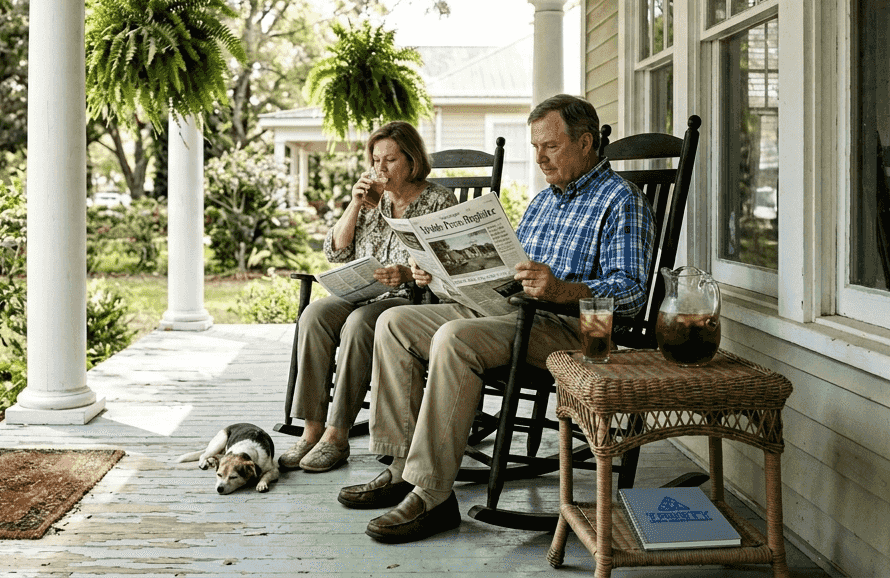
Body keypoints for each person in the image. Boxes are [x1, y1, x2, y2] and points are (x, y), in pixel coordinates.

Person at [336, 94, 656, 544]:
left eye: (550, 146)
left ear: (585, 143)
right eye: (535, 147)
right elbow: (509, 268)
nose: (540, 158)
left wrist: (562, 289)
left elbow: (631, 294)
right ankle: (401, 467)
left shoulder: (622, 201)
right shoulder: (545, 201)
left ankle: (432, 494)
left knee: (454, 338)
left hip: (570, 329)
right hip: (510, 312)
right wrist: (442, 271)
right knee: (395, 324)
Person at [277, 121, 458, 474]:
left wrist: (406, 274)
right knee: (315, 314)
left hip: (410, 300)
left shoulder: (438, 200)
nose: (381, 168)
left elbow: (448, 264)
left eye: (390, 160)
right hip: (363, 292)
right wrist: (355, 204)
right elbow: (336, 251)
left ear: (412, 159)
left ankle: (337, 435)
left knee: (359, 324)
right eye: (376, 160)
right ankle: (311, 430)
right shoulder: (372, 199)